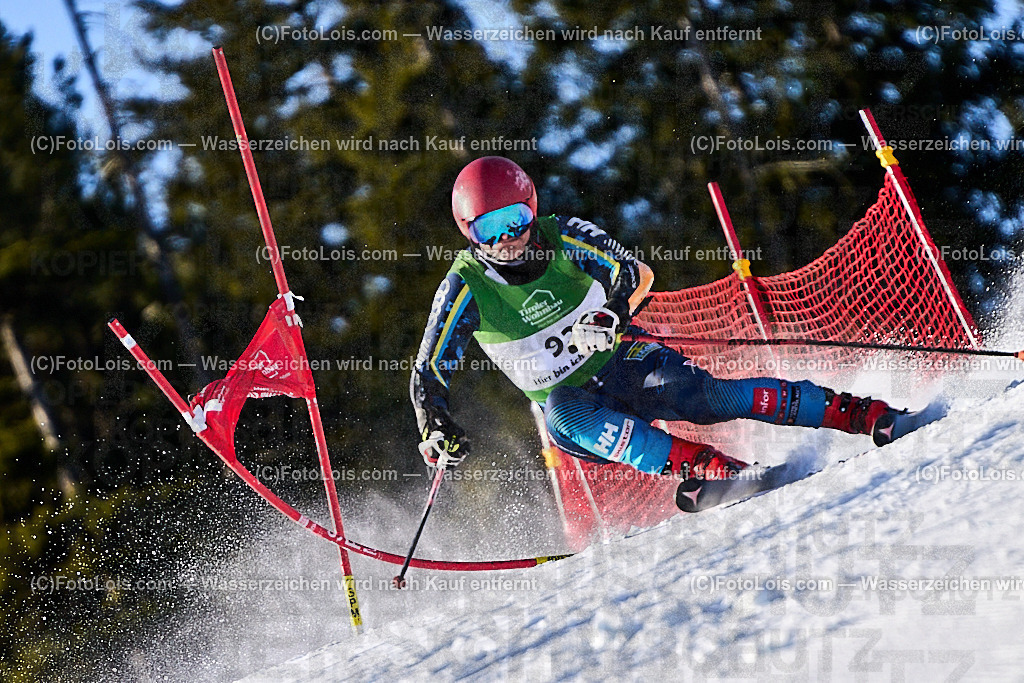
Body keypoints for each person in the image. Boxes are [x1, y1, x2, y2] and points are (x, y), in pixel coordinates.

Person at [410, 157, 938, 512]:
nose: (509, 239)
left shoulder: (561, 235)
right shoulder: (466, 285)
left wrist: (611, 316)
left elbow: (633, 273)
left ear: (532, 209)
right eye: (489, 229)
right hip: (576, 408)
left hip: (624, 359)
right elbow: (431, 364)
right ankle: (717, 471)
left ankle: (868, 415)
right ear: (468, 231)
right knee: (561, 410)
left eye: (515, 219)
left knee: (710, 398)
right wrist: (435, 422)